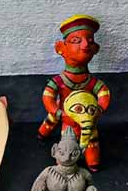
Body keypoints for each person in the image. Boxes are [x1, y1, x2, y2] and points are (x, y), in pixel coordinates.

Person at [37, 15, 110, 171]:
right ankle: (62, 153)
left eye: (89, 41)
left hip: (87, 117)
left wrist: (98, 110)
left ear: (95, 49)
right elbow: (48, 95)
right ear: (61, 48)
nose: (85, 45)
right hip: (66, 118)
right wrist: (57, 113)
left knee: (92, 140)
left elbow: (104, 92)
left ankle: (92, 160)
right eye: (76, 41)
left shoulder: (91, 81)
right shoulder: (60, 81)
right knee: (64, 135)